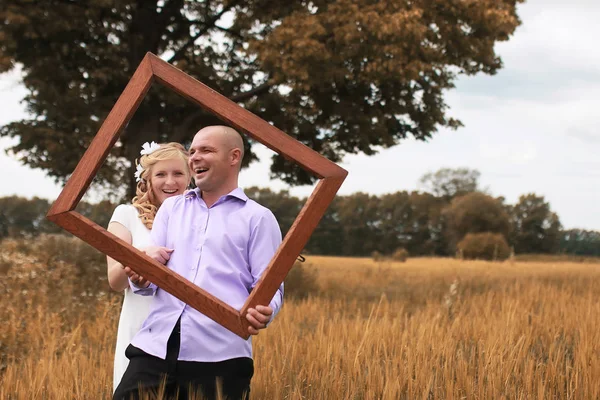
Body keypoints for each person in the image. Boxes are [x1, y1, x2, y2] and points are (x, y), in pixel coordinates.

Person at [113, 126, 284, 400]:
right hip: (154, 348)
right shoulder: (171, 209)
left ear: (234, 157)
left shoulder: (259, 218)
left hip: (220, 358)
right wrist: (140, 276)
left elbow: (271, 288)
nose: (194, 157)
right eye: (192, 151)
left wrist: (266, 310)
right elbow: (149, 282)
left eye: (206, 150)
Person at [106, 142, 191, 393]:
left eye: (178, 173)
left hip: (190, 333)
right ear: (147, 180)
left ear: (190, 177)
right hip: (141, 325)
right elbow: (115, 281)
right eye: (161, 174)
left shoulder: (200, 218)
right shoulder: (126, 215)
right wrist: (142, 257)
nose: (170, 182)